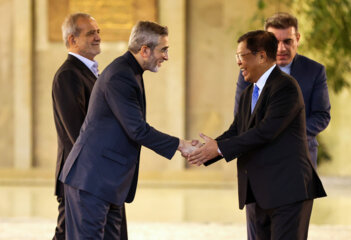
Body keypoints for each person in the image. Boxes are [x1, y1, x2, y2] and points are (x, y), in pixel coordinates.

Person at [59, 21, 195, 239]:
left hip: (108, 183)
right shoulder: (120, 75)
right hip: (91, 181)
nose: (166, 57)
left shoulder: (130, 72)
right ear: (144, 50)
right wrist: (180, 145)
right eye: (164, 50)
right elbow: (138, 130)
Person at [188, 30, 327, 240]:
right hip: (260, 193)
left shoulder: (285, 87)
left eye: (241, 56)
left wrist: (218, 148)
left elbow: (264, 132)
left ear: (261, 56)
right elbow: (237, 130)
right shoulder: (248, 94)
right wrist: (206, 150)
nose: (238, 63)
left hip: (288, 192)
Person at [233, 12, 331, 240]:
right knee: (257, 233)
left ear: (298, 38)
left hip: (295, 166)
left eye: (287, 40)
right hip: (257, 166)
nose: (281, 48)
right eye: (274, 41)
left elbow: (321, 115)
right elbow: (242, 118)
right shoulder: (248, 72)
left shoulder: (314, 71)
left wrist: (284, 132)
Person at [52, 13, 128, 240]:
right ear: (72, 40)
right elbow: (78, 134)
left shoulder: (88, 73)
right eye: (90, 33)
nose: (97, 37)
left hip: (95, 178)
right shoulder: (68, 75)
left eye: (98, 32)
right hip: (82, 179)